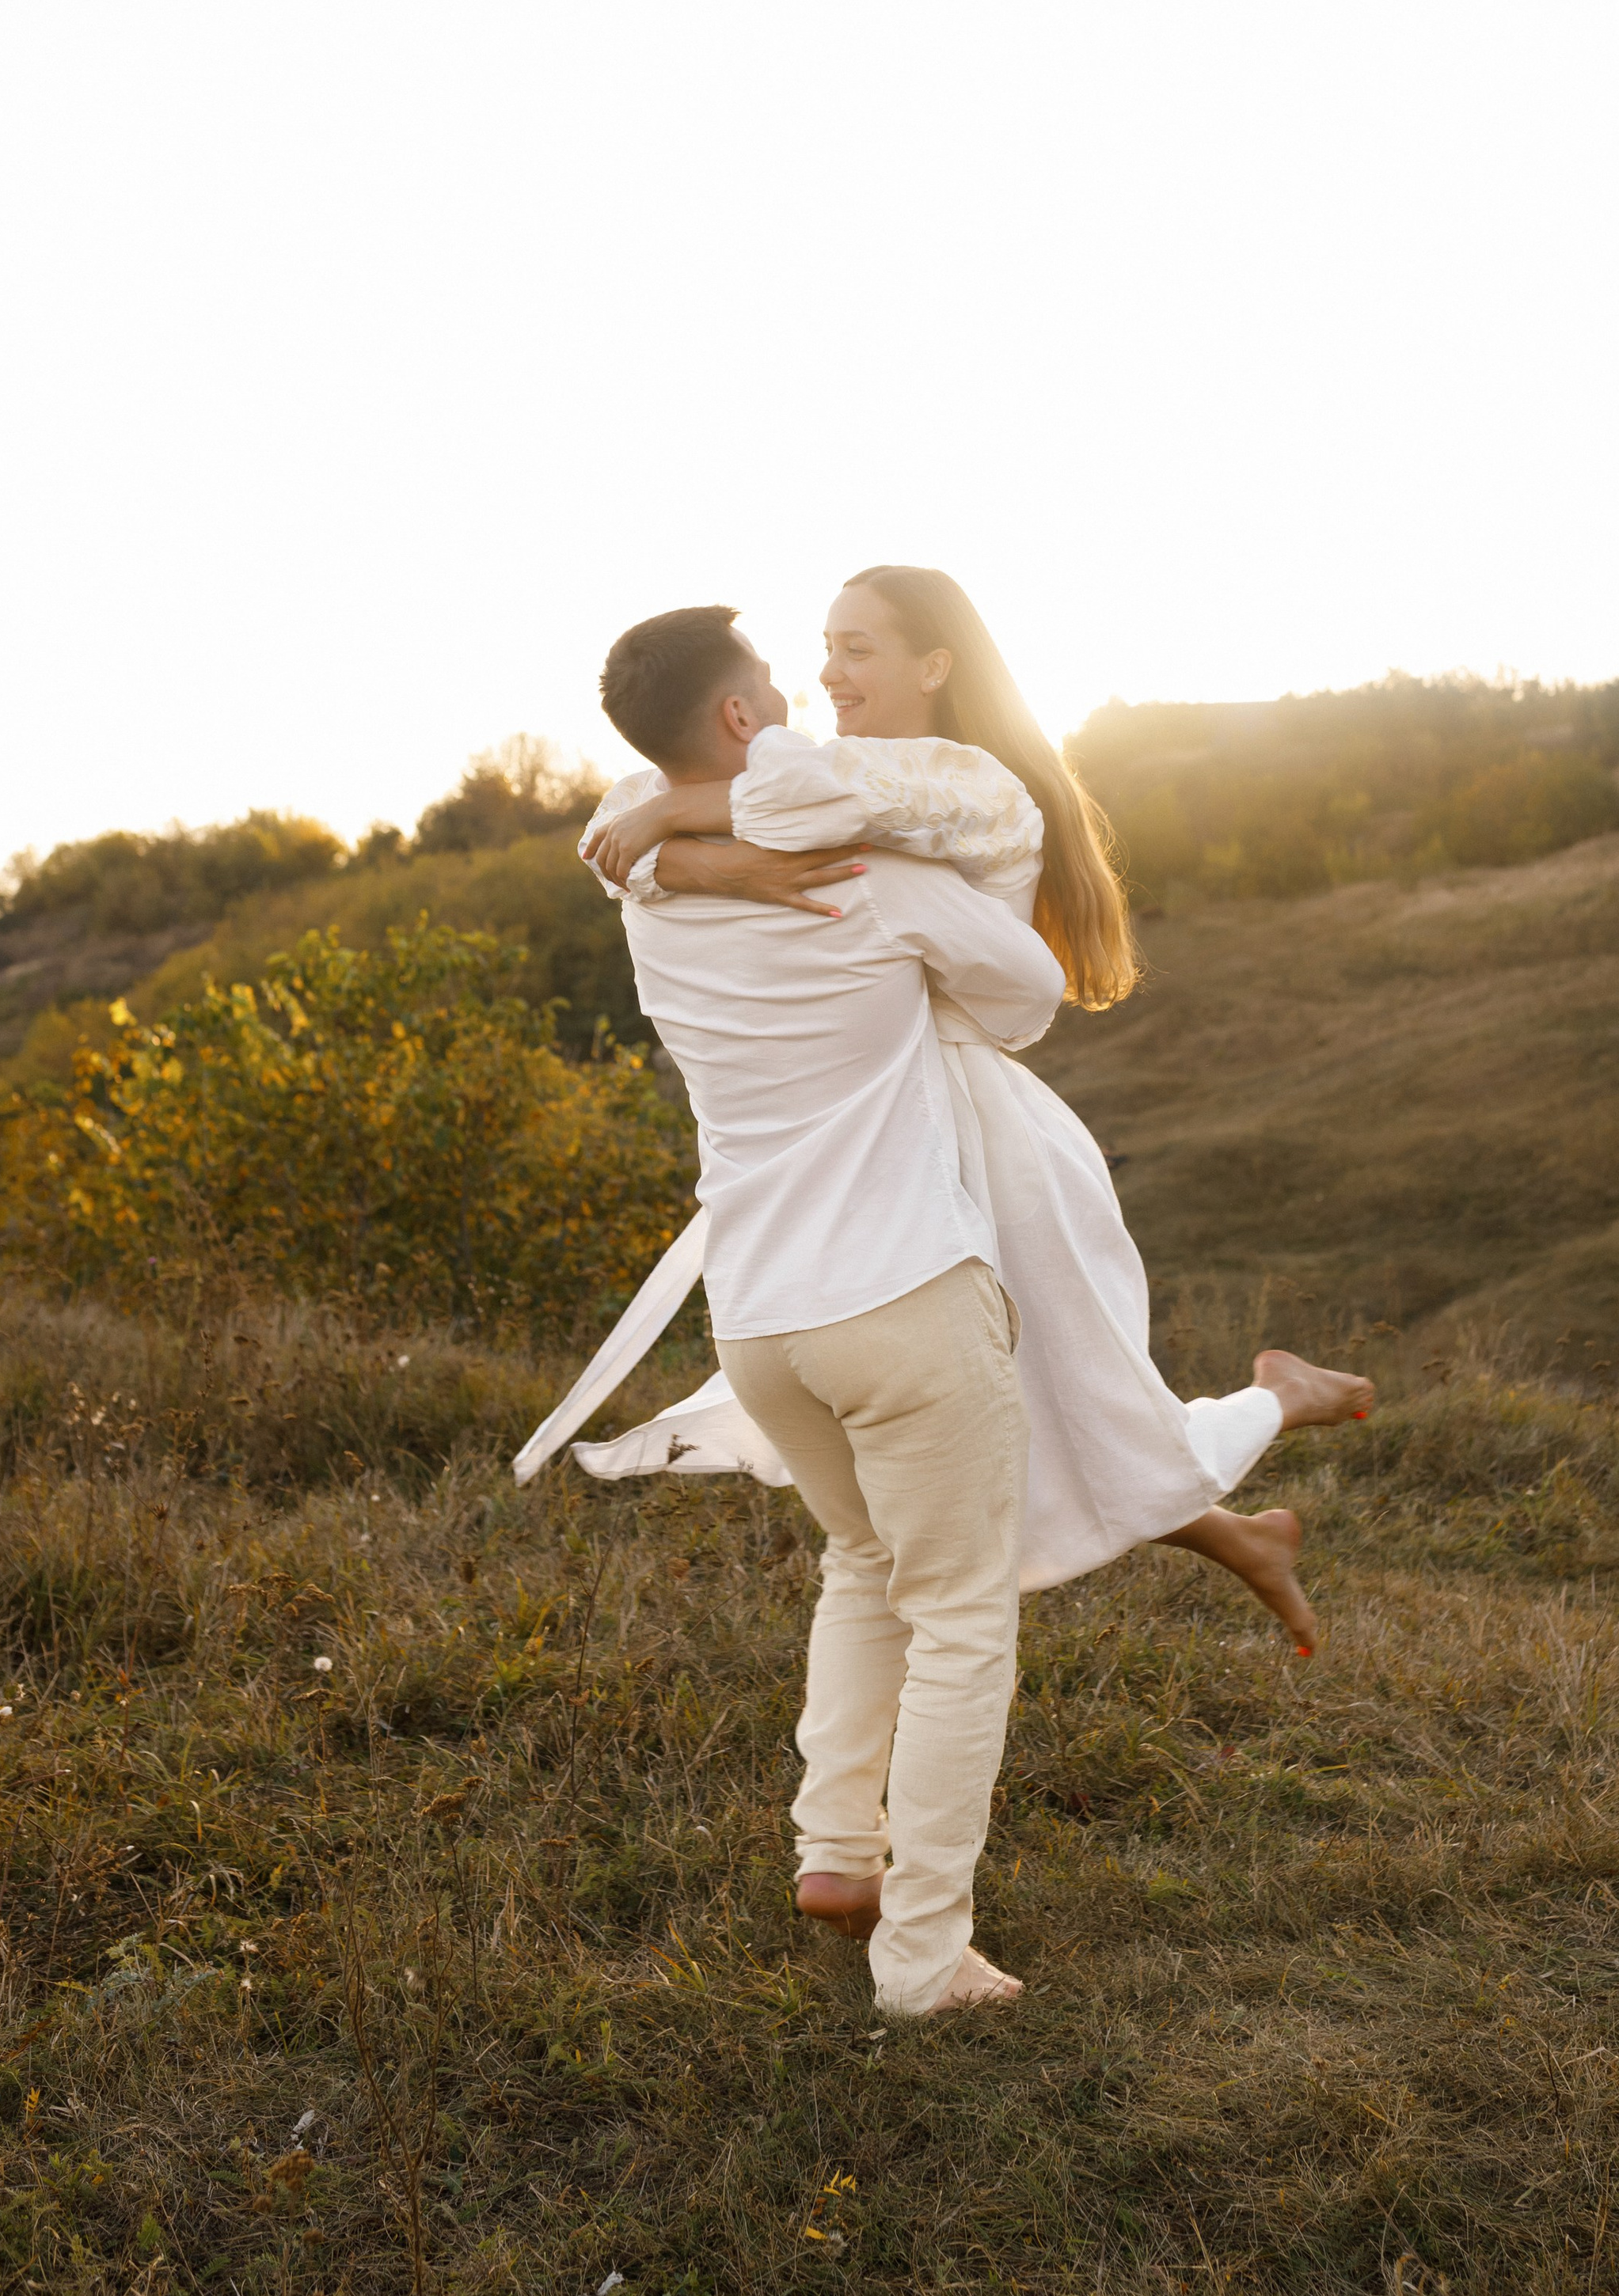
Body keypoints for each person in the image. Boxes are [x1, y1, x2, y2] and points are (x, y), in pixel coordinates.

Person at [567, 567, 1371, 1657]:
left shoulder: (955, 781)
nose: (828, 672)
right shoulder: (813, 774)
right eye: (824, 646)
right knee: (1041, 1420)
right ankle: (1246, 1525)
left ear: (935, 665)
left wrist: (677, 820)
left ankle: (1270, 1423)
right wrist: (711, 862)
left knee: (1069, 1411)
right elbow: (618, 843)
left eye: (858, 649)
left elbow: (801, 824)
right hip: (877, 1132)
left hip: (965, 1127)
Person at [549, 603, 1062, 2017]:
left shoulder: (643, 878)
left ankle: (835, 1854)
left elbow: (627, 837)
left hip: (761, 1321)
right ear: (736, 720)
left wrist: (696, 849)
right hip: (902, 1295)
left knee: (861, 1559)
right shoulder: (872, 874)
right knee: (961, 1621)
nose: (795, 696)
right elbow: (1030, 996)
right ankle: (923, 1958)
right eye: (773, 682)